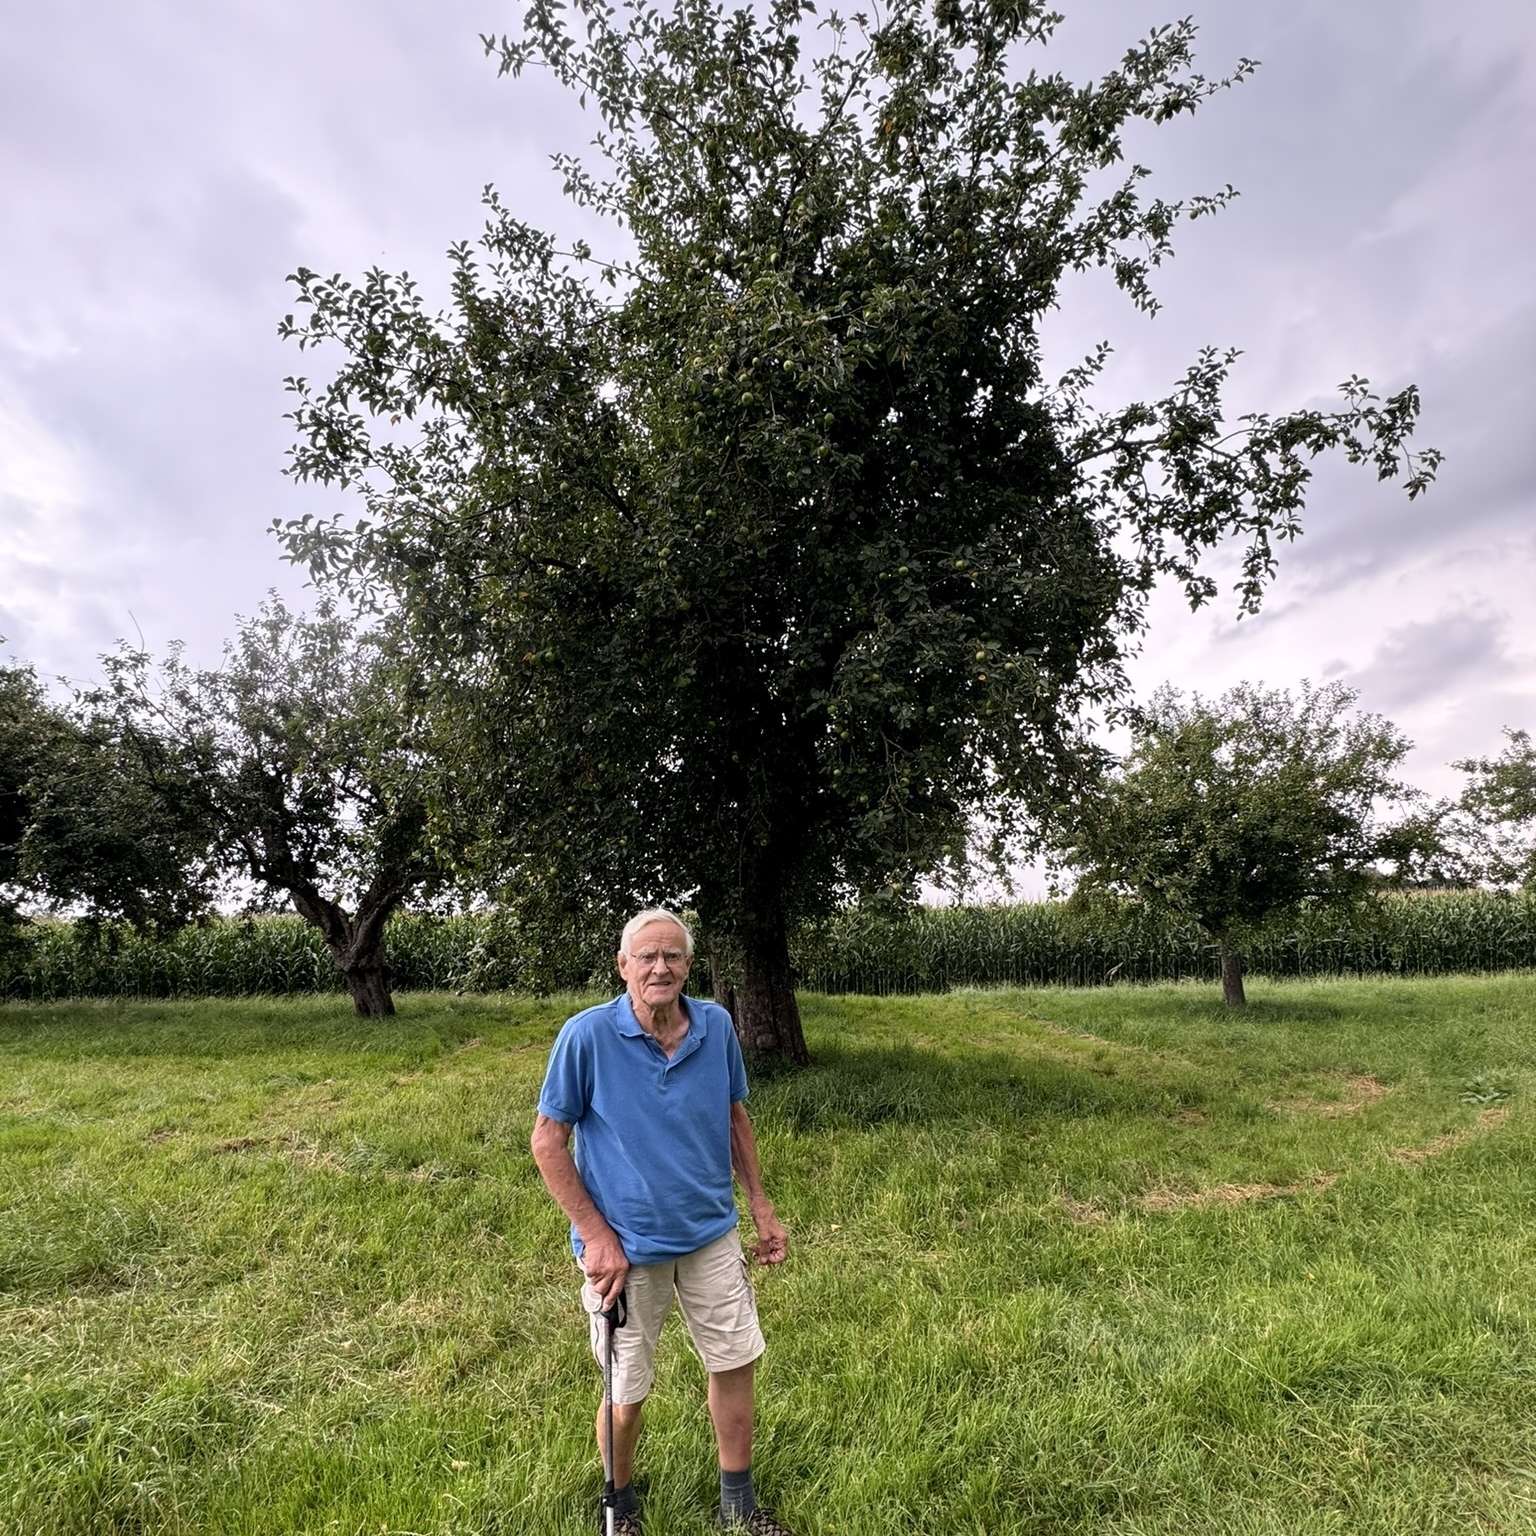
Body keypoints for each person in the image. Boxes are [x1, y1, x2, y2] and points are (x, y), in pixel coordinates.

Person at [531, 907, 794, 1535]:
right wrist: (597, 1237)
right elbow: (547, 1141)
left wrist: (759, 1204)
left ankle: (739, 1504)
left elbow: (735, 1118)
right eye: (646, 956)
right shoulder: (587, 1036)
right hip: (626, 1250)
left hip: (711, 1233)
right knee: (626, 1394)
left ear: (688, 966)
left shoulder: (716, 1027)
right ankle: (619, 1507)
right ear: (622, 966)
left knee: (734, 1362)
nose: (660, 967)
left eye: (672, 956)